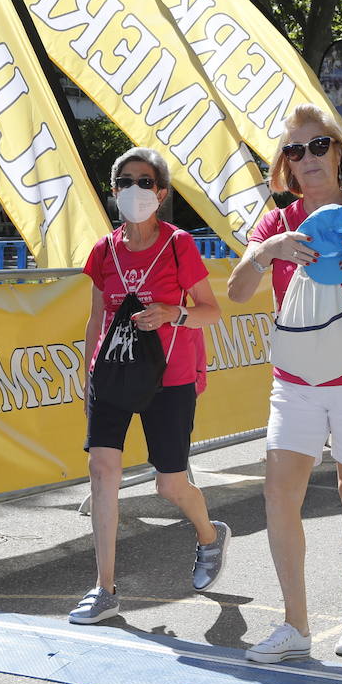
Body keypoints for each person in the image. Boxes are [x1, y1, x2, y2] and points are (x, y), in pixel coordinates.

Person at [228, 103, 342, 663]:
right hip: (295, 380)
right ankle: (295, 624)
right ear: (284, 166)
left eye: (318, 146)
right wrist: (266, 253)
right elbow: (237, 292)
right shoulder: (276, 224)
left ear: (339, 154)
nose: (307, 158)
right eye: (294, 150)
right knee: (278, 494)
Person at [69, 147, 230, 625]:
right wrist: (87, 377)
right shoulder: (104, 250)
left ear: (160, 193)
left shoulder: (179, 244)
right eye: (125, 181)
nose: (134, 190)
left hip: (170, 376)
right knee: (103, 469)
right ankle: (104, 588)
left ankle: (208, 534)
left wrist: (172, 312)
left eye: (145, 182)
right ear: (114, 190)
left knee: (169, 483)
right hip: (113, 373)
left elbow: (211, 311)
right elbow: (96, 317)